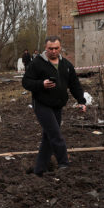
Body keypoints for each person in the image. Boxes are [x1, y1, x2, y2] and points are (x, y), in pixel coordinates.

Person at [22, 37, 87, 176]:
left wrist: (81, 101)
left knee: (49, 137)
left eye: (56, 48)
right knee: (55, 134)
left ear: (60, 48)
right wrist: (41, 84)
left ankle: (39, 170)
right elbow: (26, 82)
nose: (53, 51)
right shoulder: (37, 63)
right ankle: (64, 164)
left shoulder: (67, 65)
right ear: (46, 48)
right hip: (41, 104)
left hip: (57, 105)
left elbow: (74, 84)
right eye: (50, 48)